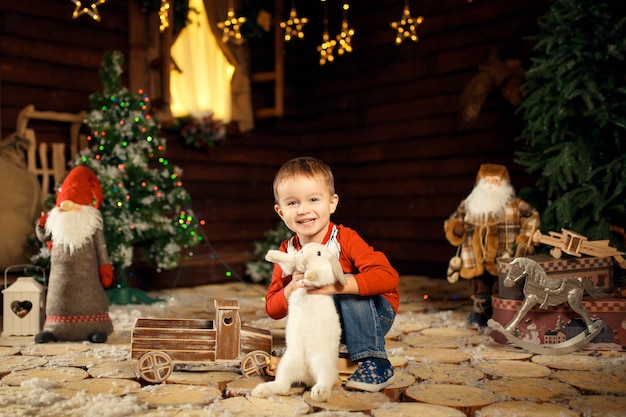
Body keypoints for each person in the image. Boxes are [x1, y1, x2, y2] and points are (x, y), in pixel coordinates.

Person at [264, 156, 400, 392]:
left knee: (344, 279)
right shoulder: (288, 251)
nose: (303, 210)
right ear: (280, 211)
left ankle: (375, 360)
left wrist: (338, 285)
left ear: (332, 203)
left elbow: (388, 277)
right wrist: (291, 288)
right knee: (305, 301)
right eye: (292, 203)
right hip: (328, 325)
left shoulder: (345, 238)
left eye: (314, 199)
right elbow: (272, 308)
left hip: (373, 316)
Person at [444, 163, 540, 326]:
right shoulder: (468, 204)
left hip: (503, 252)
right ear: (480, 182)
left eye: (496, 181)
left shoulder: (515, 204)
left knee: (502, 284)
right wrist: (456, 229)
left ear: (504, 183)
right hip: (475, 255)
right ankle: (480, 310)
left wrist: (525, 237)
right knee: (478, 284)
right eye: (487, 180)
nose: (490, 184)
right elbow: (452, 221)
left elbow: (532, 215)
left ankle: (500, 314)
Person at [34, 165, 114, 343]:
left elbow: (101, 247)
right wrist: (41, 224)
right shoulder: (56, 221)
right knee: (58, 297)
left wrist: (105, 266)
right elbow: (43, 236)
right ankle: (53, 328)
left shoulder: (91, 222)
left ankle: (95, 328)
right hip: (59, 277)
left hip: (88, 277)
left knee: (90, 299)